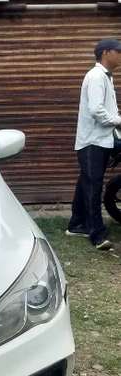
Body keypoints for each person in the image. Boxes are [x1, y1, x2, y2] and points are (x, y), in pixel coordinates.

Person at [67, 38, 121, 250]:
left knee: (86, 182)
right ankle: (97, 234)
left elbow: (106, 111)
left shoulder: (106, 78)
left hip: (101, 139)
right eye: (119, 51)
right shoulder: (97, 76)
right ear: (107, 52)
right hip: (92, 141)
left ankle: (76, 224)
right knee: (93, 185)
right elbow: (97, 111)